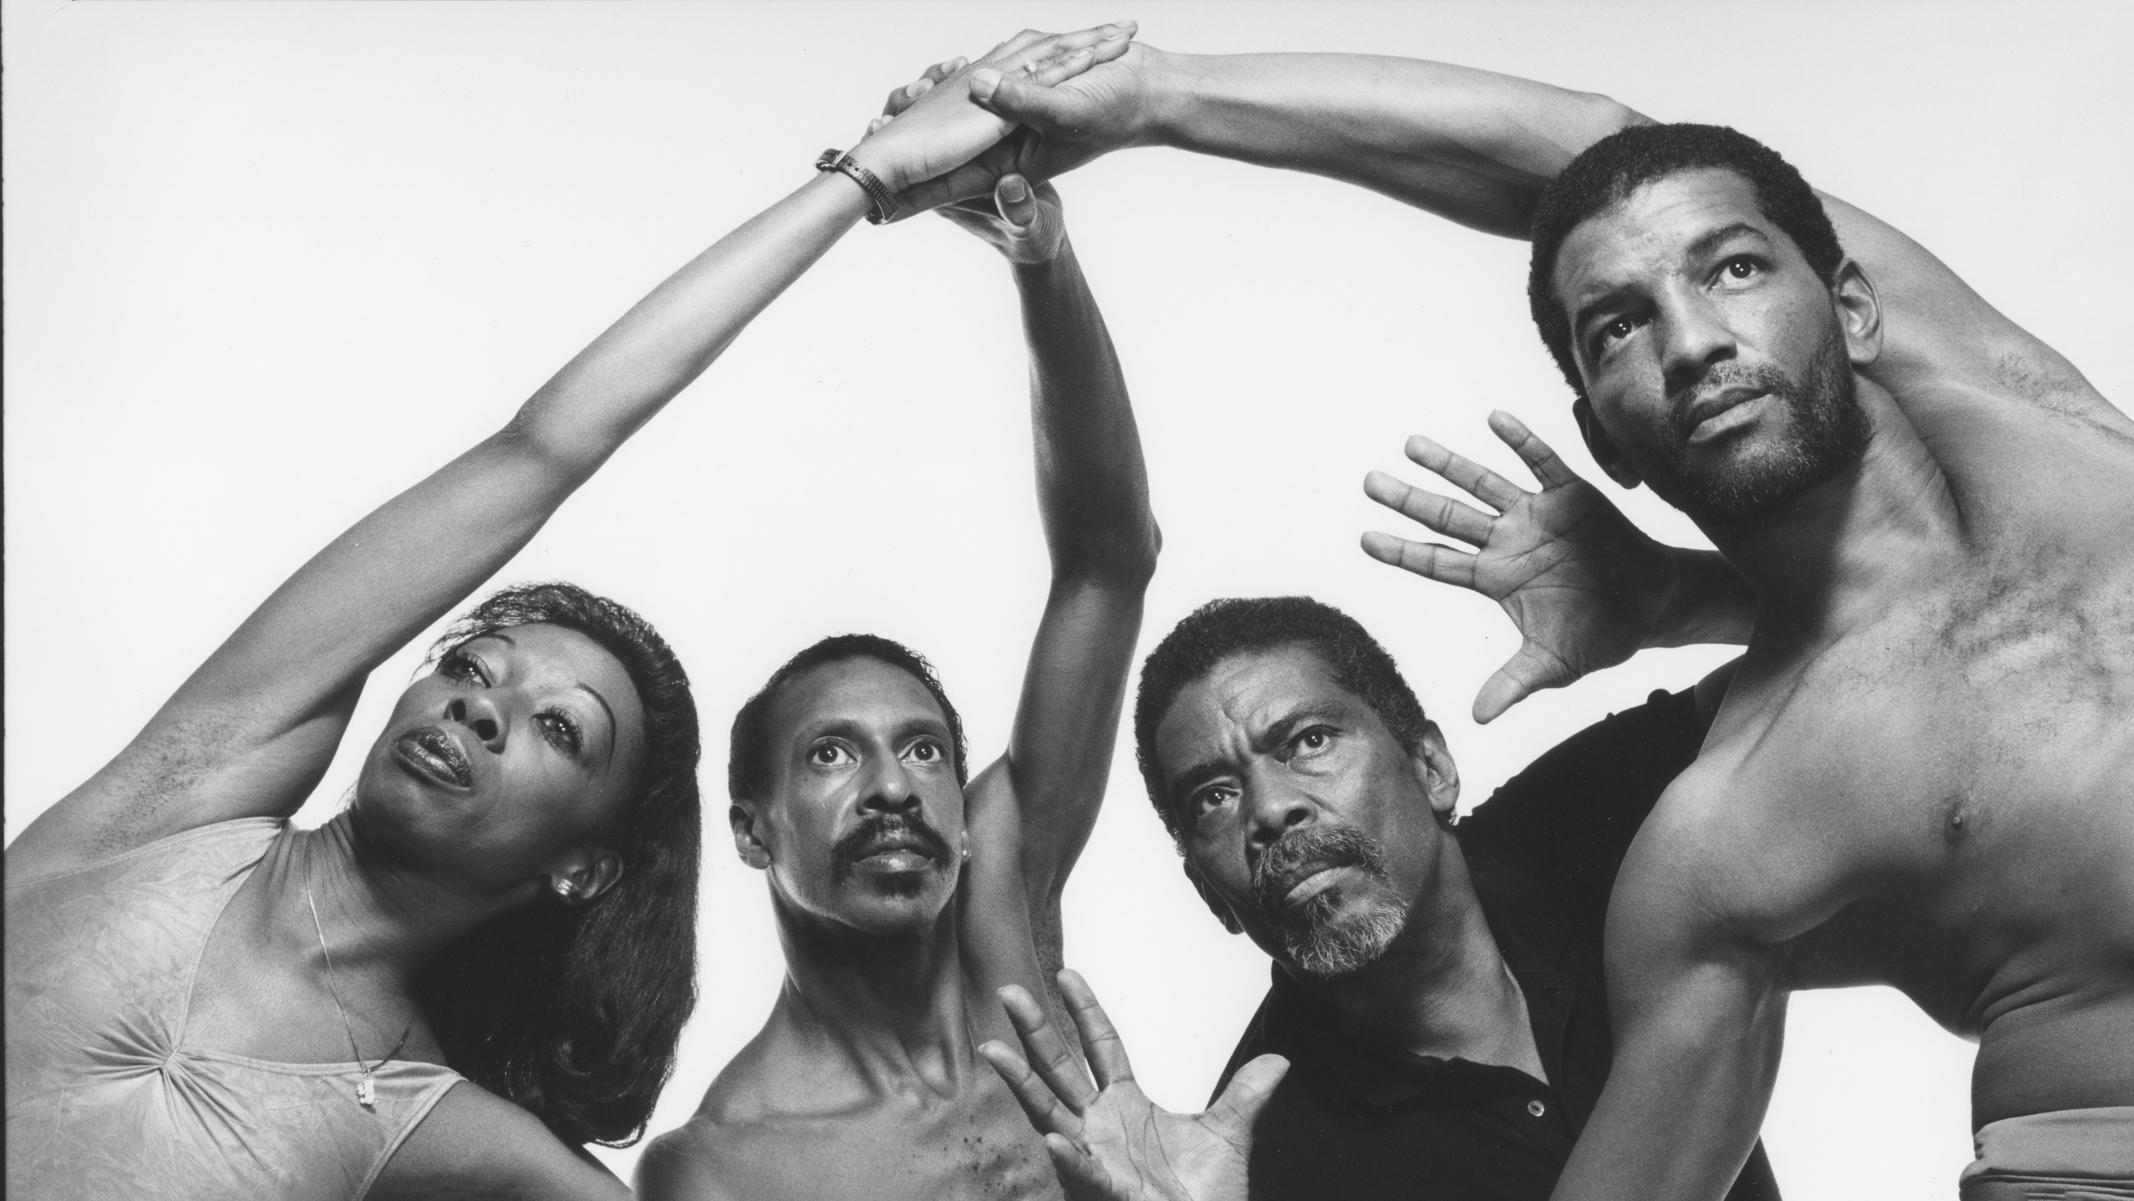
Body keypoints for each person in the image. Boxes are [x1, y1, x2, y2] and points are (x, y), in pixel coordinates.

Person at [931, 38, 2134, 1201]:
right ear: (1601, 433)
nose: (1695, 339)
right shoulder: (1723, 840)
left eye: (1733, 268)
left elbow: (1601, 152)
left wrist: (1154, 96)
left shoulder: (2031, 423)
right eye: (1618, 325)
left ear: (1854, 306)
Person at [2, 25, 1134, 1200]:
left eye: (560, 729)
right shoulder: (172, 804)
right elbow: (542, 446)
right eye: (476, 668)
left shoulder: (435, 1126)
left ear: (583, 868)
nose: (481, 709)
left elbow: (1108, 561)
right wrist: (861, 178)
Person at [630, 136, 1161, 1201]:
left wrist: (1041, 261)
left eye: (923, 749)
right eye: (831, 753)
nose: (891, 788)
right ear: (750, 825)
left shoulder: (1000, 900)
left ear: (964, 816)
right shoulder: (720, 1169)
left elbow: (1108, 559)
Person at [1100, 595, 1775, 1201]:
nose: (1271, 809)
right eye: (1213, 798)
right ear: (1211, 895)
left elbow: (1852, 666)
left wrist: (1678, 600)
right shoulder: (1262, 1161)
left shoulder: (1581, 825)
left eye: (1309, 740)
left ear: (1431, 768)